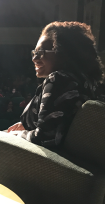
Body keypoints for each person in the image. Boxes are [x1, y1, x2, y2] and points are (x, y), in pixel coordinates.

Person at [8, 21, 104, 149]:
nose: (34, 58)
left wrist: (15, 135)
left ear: (63, 52)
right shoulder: (89, 83)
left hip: (46, 164)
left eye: (41, 52)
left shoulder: (59, 79)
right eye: (34, 52)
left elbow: (47, 139)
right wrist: (25, 126)